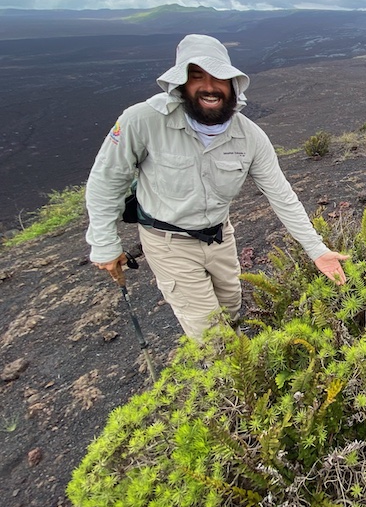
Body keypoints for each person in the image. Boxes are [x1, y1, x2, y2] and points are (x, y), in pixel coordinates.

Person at [85, 34, 348, 341]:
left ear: (233, 85)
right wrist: (104, 243)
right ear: (181, 84)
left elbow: (281, 195)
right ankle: (227, 383)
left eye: (218, 78)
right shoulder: (142, 121)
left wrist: (317, 251)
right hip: (168, 242)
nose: (209, 86)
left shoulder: (250, 136)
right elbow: (106, 181)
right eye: (196, 77)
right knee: (211, 334)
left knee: (232, 311)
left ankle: (237, 372)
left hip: (221, 237)